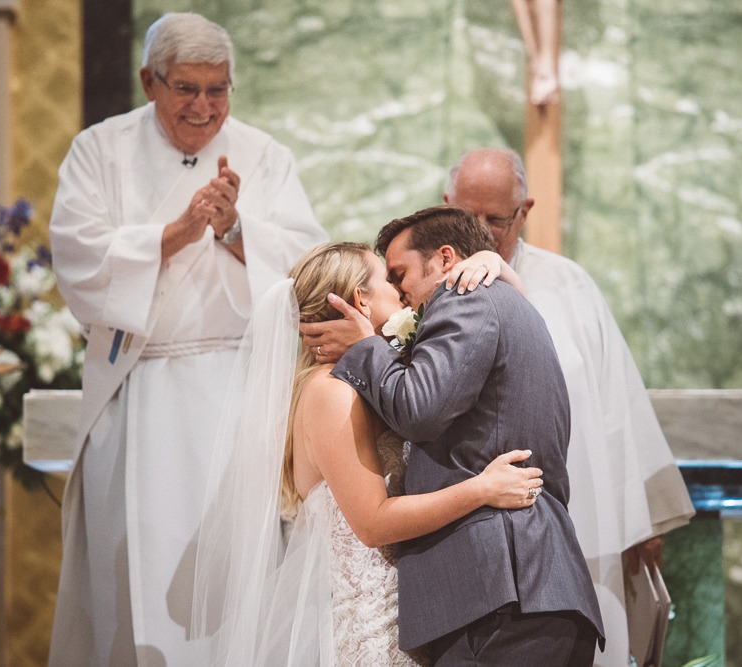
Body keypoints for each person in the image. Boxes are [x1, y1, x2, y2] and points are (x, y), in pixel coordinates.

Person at [47, 12, 327, 665]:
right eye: (187, 89)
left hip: (237, 389)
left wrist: (234, 229)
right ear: (150, 81)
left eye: (219, 89)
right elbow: (77, 259)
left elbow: (306, 264)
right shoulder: (100, 150)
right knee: (134, 577)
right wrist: (172, 234)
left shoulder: (266, 155)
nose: (204, 108)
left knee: (238, 579)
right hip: (140, 390)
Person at [192, 241, 544, 666]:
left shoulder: (370, 381)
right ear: (361, 299)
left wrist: (497, 267)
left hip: (414, 613)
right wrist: (482, 489)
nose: (400, 293)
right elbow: (373, 523)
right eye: (389, 282)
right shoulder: (331, 391)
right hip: (377, 626)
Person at [303, 207, 605, 665]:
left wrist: (366, 347)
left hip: (500, 590)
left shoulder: (465, 299)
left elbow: (420, 412)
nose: (401, 290)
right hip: (511, 589)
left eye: (399, 273)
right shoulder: (498, 300)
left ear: (445, 259)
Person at [443, 147, 695, 666]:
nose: (483, 232)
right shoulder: (425, 288)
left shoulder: (570, 285)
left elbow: (616, 407)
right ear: (446, 204)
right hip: (471, 528)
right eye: (469, 217)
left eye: (497, 219)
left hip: (579, 518)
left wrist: (637, 525)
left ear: (525, 211)